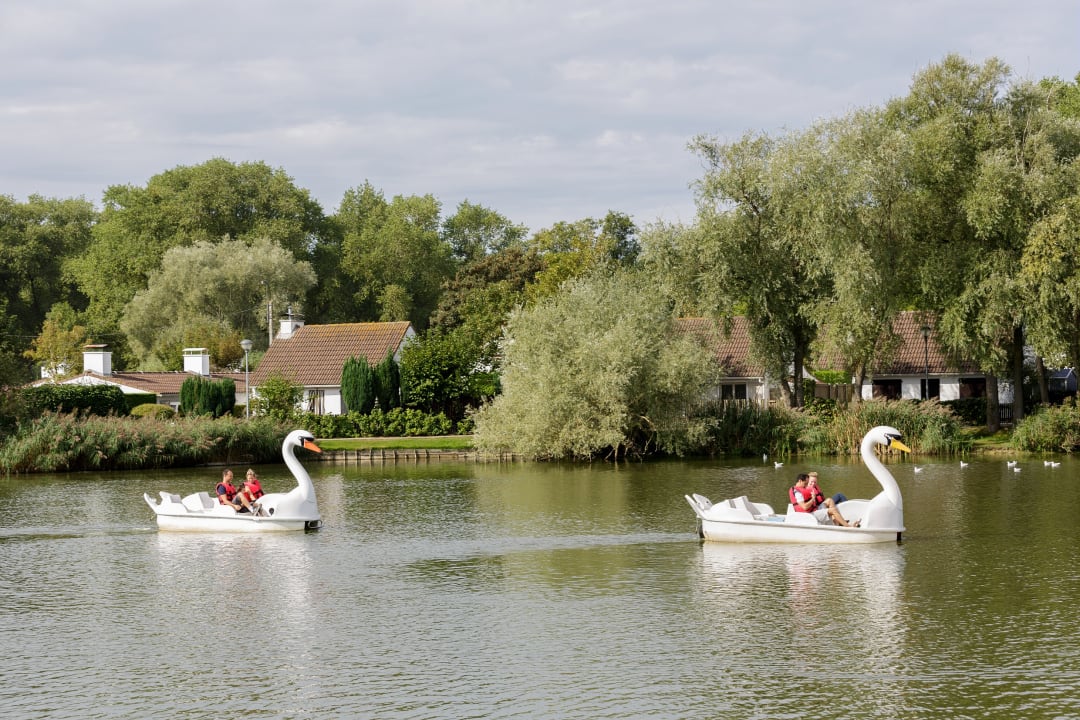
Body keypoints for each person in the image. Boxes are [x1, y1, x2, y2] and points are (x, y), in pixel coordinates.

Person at [789, 472, 858, 527]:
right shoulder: (797, 492)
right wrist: (813, 498)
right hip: (809, 515)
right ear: (800, 481)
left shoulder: (801, 490)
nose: (807, 485)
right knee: (832, 510)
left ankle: (837, 523)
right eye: (806, 483)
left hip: (813, 510)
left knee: (829, 500)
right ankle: (849, 526)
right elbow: (804, 507)